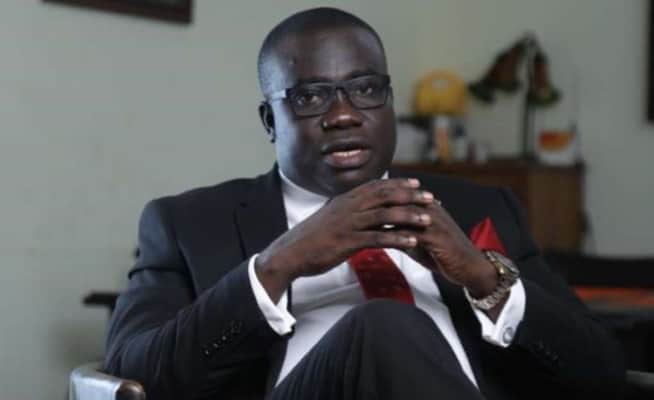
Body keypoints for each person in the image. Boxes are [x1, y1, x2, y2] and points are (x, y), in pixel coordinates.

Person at [105, 7, 625, 400]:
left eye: (365, 89)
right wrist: (278, 265)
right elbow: (134, 375)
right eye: (311, 97)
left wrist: (483, 277)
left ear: (389, 102)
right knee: (386, 325)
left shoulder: (480, 208)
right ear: (270, 121)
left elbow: (604, 373)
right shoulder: (189, 223)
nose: (344, 115)